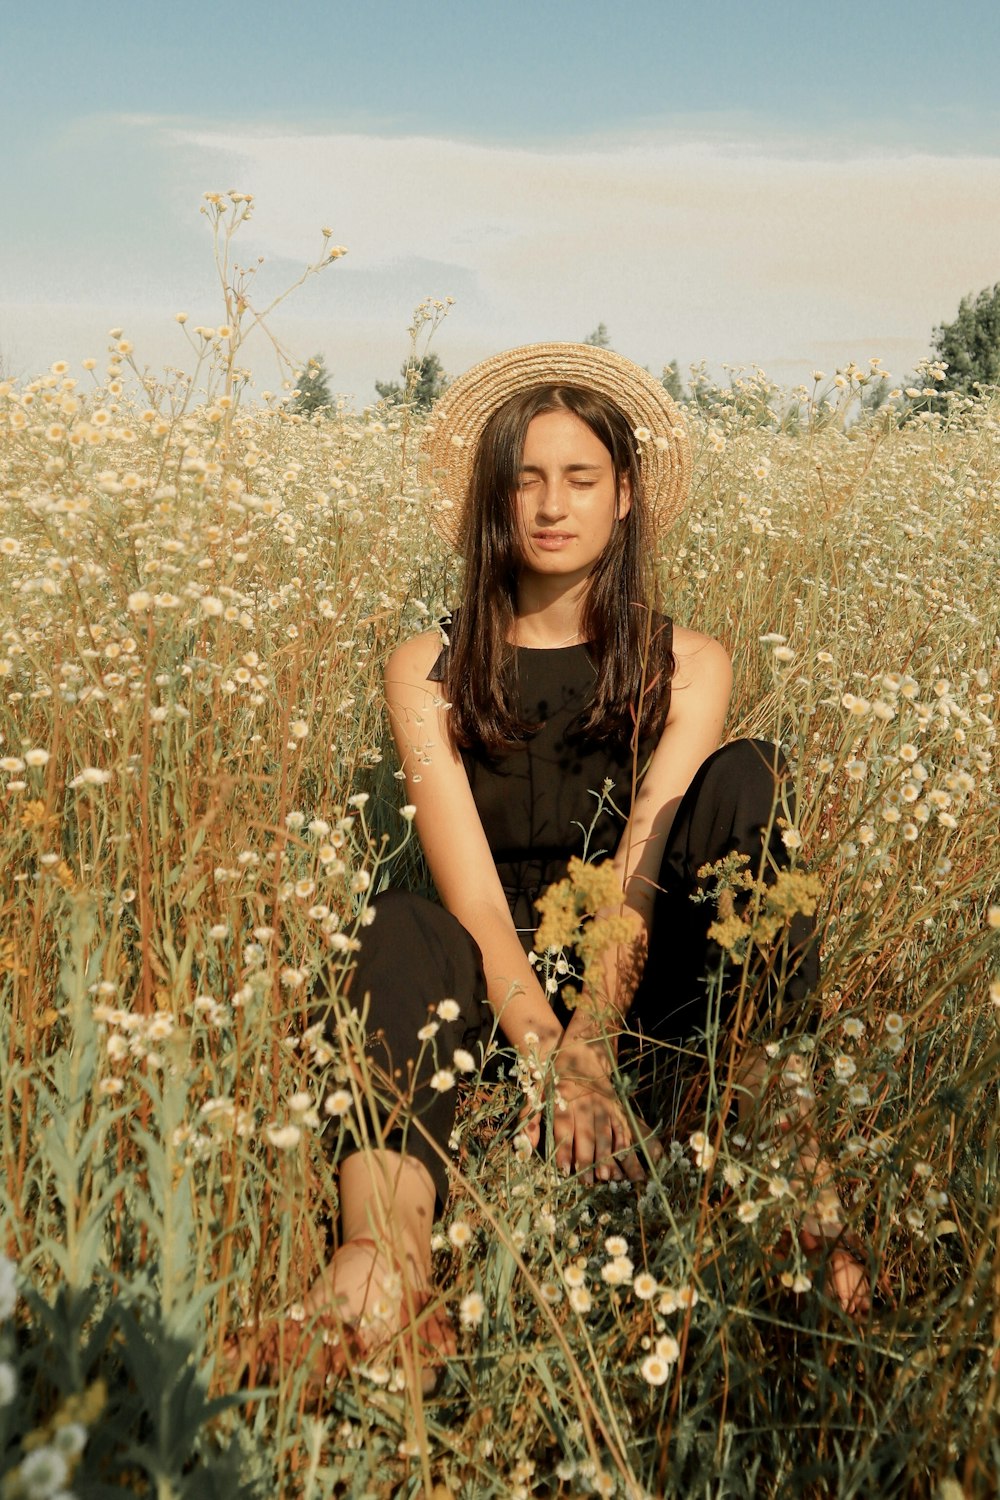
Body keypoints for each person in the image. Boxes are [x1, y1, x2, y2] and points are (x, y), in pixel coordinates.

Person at [237, 343, 869, 1395]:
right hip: (493, 997)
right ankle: (377, 1279)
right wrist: (542, 1049)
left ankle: (806, 1213)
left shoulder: (687, 663)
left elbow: (640, 869)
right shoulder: (425, 668)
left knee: (749, 780)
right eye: (525, 478)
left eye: (579, 478)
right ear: (494, 498)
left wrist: (593, 1046)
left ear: (624, 498)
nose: (549, 504)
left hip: (641, 976)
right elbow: (472, 897)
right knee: (395, 921)